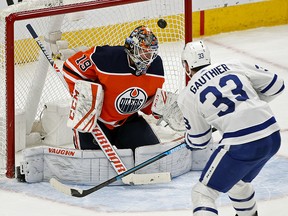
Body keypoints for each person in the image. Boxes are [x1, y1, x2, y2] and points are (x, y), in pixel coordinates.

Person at [177, 40, 285, 216]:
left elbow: (199, 141)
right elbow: (276, 85)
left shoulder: (187, 95)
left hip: (241, 143)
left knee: (202, 193)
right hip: (272, 136)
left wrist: (188, 138)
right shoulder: (233, 64)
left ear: (187, 65)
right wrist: (248, 105)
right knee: (238, 183)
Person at [62, 26, 164, 152]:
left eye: (151, 53)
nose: (148, 58)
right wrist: (86, 99)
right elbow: (70, 68)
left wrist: (160, 108)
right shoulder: (106, 58)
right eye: (143, 52)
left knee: (153, 154)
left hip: (127, 121)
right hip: (95, 121)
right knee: (92, 165)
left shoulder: (156, 67)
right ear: (131, 47)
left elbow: (148, 100)